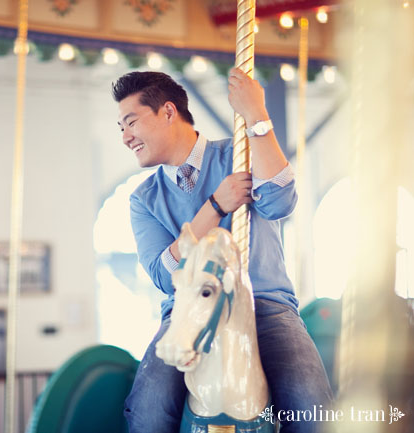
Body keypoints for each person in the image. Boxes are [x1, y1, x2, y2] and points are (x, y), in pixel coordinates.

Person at [112, 70, 332, 433]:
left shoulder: (238, 154)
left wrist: (256, 115)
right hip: (187, 313)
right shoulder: (145, 200)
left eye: (131, 122)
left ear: (168, 112)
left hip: (265, 306)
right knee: (147, 411)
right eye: (120, 127)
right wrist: (215, 205)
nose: (125, 136)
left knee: (312, 407)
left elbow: (280, 202)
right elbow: (164, 276)